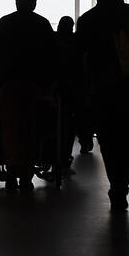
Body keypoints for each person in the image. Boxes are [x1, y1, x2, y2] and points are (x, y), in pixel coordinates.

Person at [75, 0, 129, 211]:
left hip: (103, 93)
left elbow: (79, 55)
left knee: (110, 143)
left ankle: (117, 186)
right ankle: (123, 185)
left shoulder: (89, 20)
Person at [0, 0, 56, 190]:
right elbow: (51, 57)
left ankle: (11, 170)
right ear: (34, 4)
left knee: (10, 128)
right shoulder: (42, 24)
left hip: (8, 84)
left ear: (17, 3)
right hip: (35, 86)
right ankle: (26, 174)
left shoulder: (5, 23)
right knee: (30, 128)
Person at [55, 16, 77, 176]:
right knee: (68, 128)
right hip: (71, 91)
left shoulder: (53, 41)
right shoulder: (75, 41)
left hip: (54, 90)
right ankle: (64, 161)